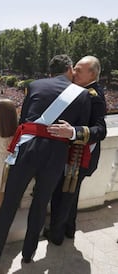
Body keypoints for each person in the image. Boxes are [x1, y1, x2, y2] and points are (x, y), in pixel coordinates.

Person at [0, 55, 92, 264]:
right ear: (69, 68)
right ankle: (28, 254)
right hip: (56, 153)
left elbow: (23, 123)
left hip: (28, 149)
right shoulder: (83, 95)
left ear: (50, 71)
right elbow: (79, 131)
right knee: (40, 204)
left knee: (10, 202)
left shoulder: (34, 85)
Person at [45, 56, 107, 245]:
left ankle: (56, 235)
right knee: (70, 196)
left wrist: (72, 132)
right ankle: (69, 230)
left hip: (78, 157)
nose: (74, 72)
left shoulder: (93, 95)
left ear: (92, 74)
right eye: (75, 68)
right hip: (76, 156)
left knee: (62, 196)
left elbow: (100, 130)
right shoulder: (83, 91)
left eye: (79, 70)